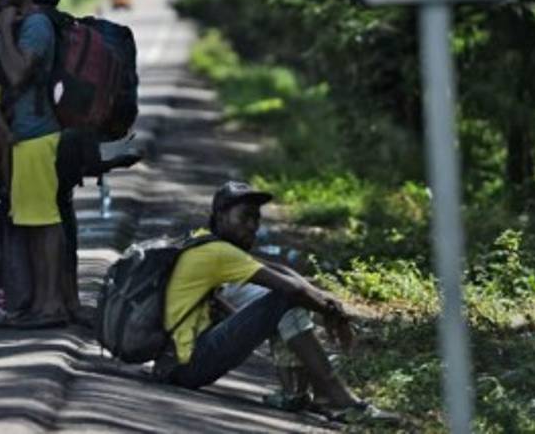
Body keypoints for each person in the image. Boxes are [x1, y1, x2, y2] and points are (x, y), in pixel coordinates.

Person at [156, 181, 396, 424]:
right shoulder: (218, 253)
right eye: (245, 217)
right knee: (286, 297)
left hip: (173, 363)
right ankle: (337, 397)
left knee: (285, 296)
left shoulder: (203, 240)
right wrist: (336, 316)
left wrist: (327, 301)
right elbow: (290, 288)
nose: (252, 226)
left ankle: (295, 392)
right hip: (190, 364)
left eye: (256, 218)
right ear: (220, 215)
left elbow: (276, 269)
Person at [0, 0, 69, 328]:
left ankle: (51, 305)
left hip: (40, 136)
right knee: (32, 223)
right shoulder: (21, 23)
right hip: (23, 137)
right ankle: (42, 302)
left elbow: (19, 74)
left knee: (46, 223)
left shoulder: (35, 25)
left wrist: (5, 31)